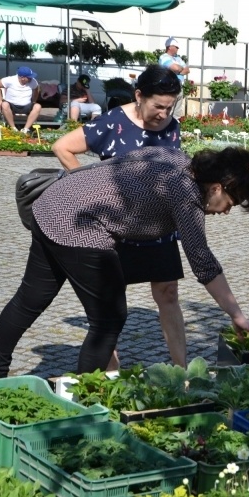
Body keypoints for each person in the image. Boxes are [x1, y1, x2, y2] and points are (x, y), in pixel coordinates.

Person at [0, 146, 249, 381]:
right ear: (216, 188)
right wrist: (237, 315)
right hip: (78, 225)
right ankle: (85, 398)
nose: (226, 212)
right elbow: (201, 260)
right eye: (230, 203)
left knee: (30, 299)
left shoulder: (174, 157)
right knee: (108, 319)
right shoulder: (185, 193)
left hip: (52, 206)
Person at [52, 64, 188, 369]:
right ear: (139, 96)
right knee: (110, 302)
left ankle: (182, 372)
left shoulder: (171, 126)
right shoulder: (112, 123)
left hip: (158, 228)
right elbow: (61, 147)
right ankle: (112, 373)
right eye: (158, 106)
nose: (164, 114)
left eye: (170, 107)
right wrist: (90, 187)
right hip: (116, 229)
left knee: (168, 293)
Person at [0, 66, 41, 134]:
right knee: (4, 104)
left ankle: (25, 129)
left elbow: (37, 89)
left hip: (26, 106)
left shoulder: (33, 81)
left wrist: (34, 100)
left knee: (38, 106)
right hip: (11, 105)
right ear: (22, 78)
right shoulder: (10, 80)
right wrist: (0, 101)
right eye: (29, 77)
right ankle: (13, 128)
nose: (31, 78)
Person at [159, 36, 190, 120]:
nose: (177, 49)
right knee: (169, 110)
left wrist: (178, 70)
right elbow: (175, 68)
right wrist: (180, 69)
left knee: (177, 112)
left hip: (179, 86)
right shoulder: (164, 57)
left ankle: (175, 129)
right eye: (176, 47)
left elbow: (187, 70)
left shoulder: (178, 58)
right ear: (170, 47)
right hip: (170, 87)